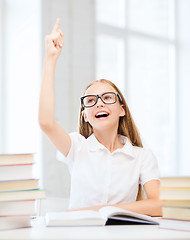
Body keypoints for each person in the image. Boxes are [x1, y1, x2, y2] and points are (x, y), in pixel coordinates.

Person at [39, 19, 163, 217]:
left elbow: (157, 206)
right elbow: (46, 122)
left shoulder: (142, 157)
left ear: (122, 109)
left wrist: (96, 211)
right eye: (90, 100)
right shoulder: (76, 147)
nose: (99, 103)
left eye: (107, 97)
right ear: (85, 116)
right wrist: (50, 60)